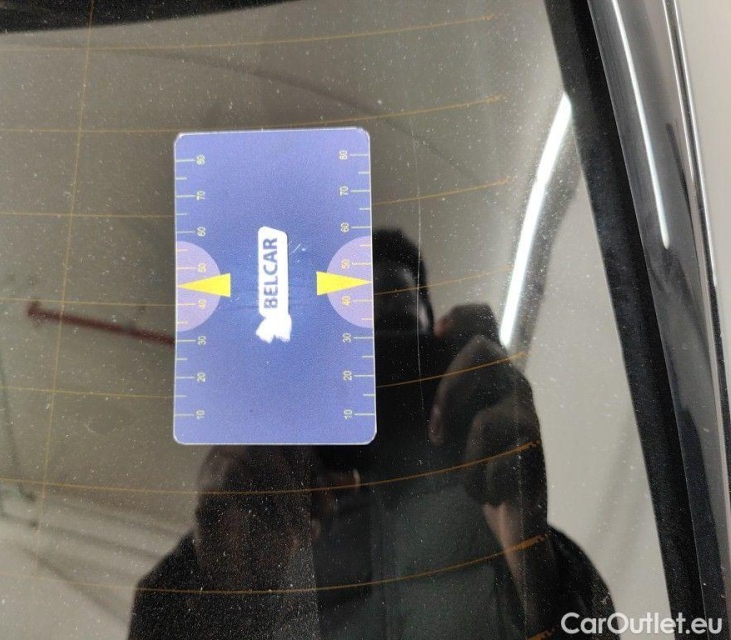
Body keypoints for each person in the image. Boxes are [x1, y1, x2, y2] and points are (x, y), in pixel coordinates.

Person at [129, 229, 616, 639]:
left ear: (443, 354)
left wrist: (530, 557)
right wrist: (224, 560)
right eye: (343, 345)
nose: (369, 375)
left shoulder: (511, 531)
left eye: (397, 343)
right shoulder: (240, 546)